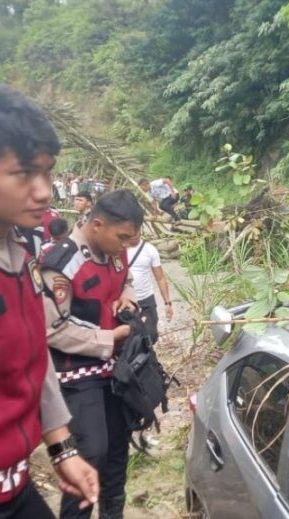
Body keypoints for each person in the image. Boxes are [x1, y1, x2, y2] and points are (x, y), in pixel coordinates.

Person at [0, 84, 99, 518]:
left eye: (48, 172)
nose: (44, 192)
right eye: (24, 173)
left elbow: (34, 359)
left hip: (15, 486)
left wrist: (62, 448)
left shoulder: (17, 254)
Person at [42, 189, 143, 519]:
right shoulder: (60, 263)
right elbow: (52, 329)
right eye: (123, 237)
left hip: (116, 368)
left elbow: (125, 278)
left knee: (116, 453)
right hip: (76, 372)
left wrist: (127, 296)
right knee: (90, 453)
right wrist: (107, 338)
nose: (126, 246)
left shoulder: (116, 252)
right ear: (97, 224)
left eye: (132, 240)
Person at [126, 232, 173, 343]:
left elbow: (160, 278)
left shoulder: (150, 250)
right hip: (125, 301)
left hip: (146, 300)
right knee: (129, 339)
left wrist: (167, 303)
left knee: (151, 336)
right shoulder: (117, 247)